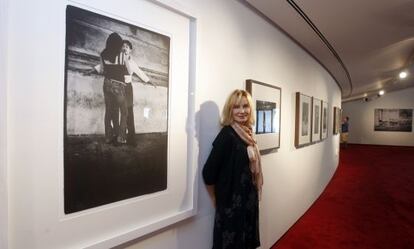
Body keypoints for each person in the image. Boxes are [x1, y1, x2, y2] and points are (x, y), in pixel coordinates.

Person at [202, 89, 263, 249]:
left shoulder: (248, 134)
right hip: (232, 208)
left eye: (245, 106)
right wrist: (215, 198)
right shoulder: (227, 135)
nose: (242, 111)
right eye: (236, 107)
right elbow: (208, 173)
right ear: (230, 110)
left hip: (248, 202)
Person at [120, 40, 155, 146]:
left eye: (127, 47)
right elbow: (106, 66)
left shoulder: (132, 62)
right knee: (120, 111)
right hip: (118, 87)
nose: (124, 48)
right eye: (123, 46)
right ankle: (121, 136)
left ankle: (131, 138)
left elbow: (139, 72)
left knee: (129, 112)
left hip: (128, 88)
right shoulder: (117, 59)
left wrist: (149, 81)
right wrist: (94, 69)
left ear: (130, 50)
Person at [100, 32, 127, 144]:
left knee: (109, 111)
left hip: (107, 83)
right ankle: (121, 137)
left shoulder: (103, 54)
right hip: (119, 86)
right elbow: (128, 70)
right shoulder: (122, 54)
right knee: (124, 112)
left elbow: (102, 70)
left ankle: (108, 137)